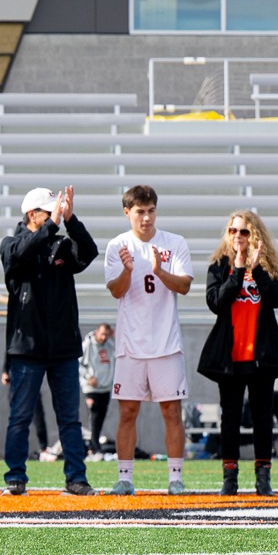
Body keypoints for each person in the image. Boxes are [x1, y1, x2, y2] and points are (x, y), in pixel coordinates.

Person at [2, 185, 98, 496]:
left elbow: (89, 252)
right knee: (20, 417)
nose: (55, 216)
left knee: (70, 419)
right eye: (49, 211)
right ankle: (15, 477)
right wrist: (53, 225)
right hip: (26, 347)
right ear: (32, 214)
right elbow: (21, 254)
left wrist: (71, 220)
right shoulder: (11, 244)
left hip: (63, 347)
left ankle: (76, 478)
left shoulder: (61, 245)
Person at [102, 185, 194, 496]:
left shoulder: (174, 243)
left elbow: (184, 286)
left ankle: (175, 479)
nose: (146, 217)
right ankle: (125, 479)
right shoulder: (118, 245)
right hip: (131, 344)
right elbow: (116, 290)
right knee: (128, 411)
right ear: (127, 212)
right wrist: (128, 271)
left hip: (166, 343)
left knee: (172, 411)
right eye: (140, 211)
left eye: (151, 211)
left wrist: (159, 271)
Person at [198, 210, 278, 496]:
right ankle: (230, 479)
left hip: (262, 355)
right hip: (230, 355)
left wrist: (257, 270)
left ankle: (263, 479)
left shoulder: (269, 264)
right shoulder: (219, 265)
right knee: (230, 418)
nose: (237, 236)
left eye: (244, 231)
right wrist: (237, 271)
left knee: (263, 417)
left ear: (254, 235)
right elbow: (216, 303)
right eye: (233, 231)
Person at [80, 323, 116, 454]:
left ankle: (95, 445)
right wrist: (88, 377)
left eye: (106, 334)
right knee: (94, 415)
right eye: (102, 334)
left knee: (101, 417)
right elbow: (78, 363)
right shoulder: (87, 345)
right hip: (91, 388)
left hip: (105, 387)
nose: (104, 337)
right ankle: (94, 447)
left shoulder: (110, 345)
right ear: (96, 332)